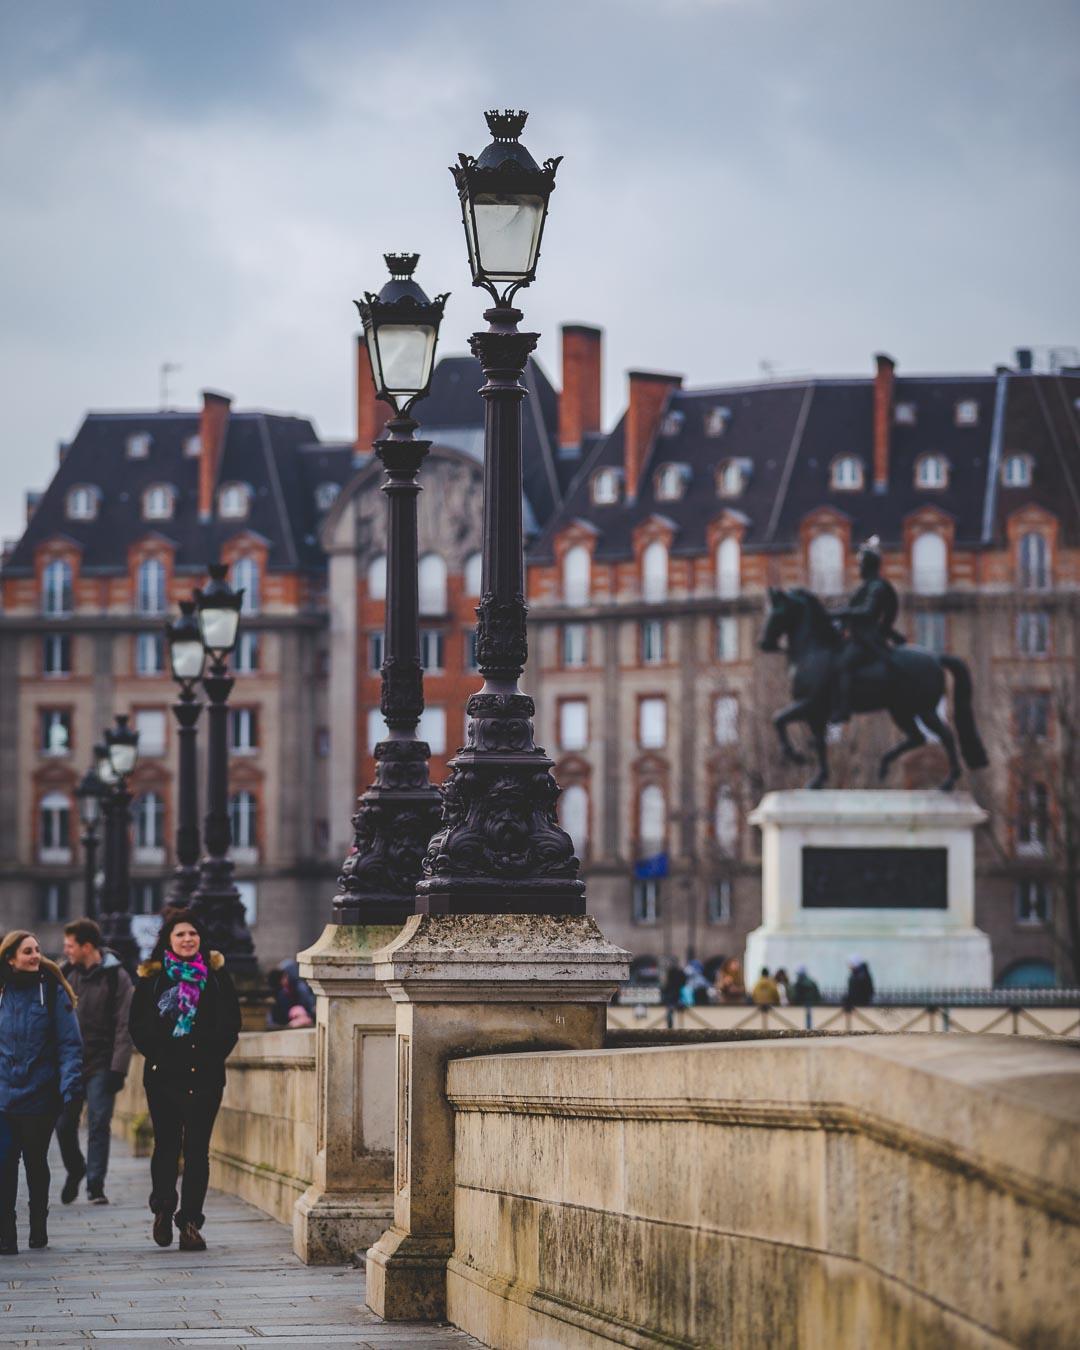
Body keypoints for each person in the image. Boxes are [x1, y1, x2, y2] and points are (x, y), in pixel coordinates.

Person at [129, 908, 240, 1253]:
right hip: (164, 1077)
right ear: (169, 940)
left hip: (205, 1077)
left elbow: (231, 1025)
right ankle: (163, 1206)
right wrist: (166, 1053)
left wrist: (208, 1055)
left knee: (197, 1152)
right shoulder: (153, 980)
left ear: (201, 939)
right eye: (180, 934)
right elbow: (139, 1028)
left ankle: (190, 1222)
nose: (188, 939)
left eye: (193, 933)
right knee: (166, 1145)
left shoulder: (218, 978)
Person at [0, 931, 83, 1255]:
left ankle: (38, 1226)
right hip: (4, 1096)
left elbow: (69, 1045)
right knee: (4, 1163)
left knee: (35, 1163)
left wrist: (69, 1087)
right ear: (10, 958)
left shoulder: (52, 993)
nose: (35, 956)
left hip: (40, 1096)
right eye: (27, 951)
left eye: (36, 950)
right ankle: (6, 1235)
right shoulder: (2, 992)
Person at [57, 918, 134, 1206]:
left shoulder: (117, 977)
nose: (66, 951)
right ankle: (76, 1168)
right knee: (64, 1125)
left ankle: (95, 1185)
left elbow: (124, 1025)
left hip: (102, 1062)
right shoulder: (62, 974)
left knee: (99, 1123)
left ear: (86, 947)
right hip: (69, 1064)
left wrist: (118, 1068)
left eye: (70, 946)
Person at [829, 537, 906, 724]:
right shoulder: (867, 586)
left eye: (861, 565)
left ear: (869, 566)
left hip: (867, 638)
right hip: (857, 636)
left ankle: (844, 709)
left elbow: (868, 612)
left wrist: (843, 612)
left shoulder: (877, 587)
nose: (859, 568)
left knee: (843, 664)